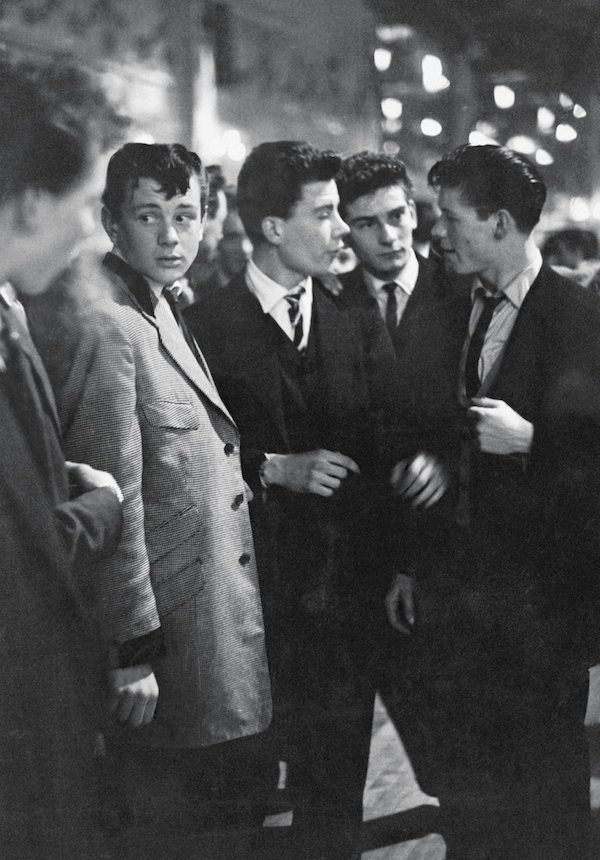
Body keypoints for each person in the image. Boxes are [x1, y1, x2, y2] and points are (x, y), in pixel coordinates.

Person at [185, 140, 446, 859]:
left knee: (333, 804)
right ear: (272, 227)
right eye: (327, 213)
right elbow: (182, 464)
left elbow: (389, 433)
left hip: (344, 612)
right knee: (239, 808)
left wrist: (421, 469)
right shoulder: (203, 326)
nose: (343, 231)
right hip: (247, 615)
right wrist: (272, 467)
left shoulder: (353, 318)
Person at [29, 143, 272, 857]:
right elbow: (117, 498)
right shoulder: (110, 325)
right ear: (111, 222)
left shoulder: (160, 307)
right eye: (148, 216)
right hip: (167, 642)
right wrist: (132, 650)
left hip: (204, 622)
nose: (171, 237)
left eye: (185, 215)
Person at [385, 143, 600, 859]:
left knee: (546, 800)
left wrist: (532, 441)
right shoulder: (442, 308)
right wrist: (429, 473)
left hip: (542, 614)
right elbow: (423, 424)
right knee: (470, 802)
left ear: (501, 222)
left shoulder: (579, 320)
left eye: (450, 218)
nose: (436, 233)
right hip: (456, 608)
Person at [0, 55, 126, 857]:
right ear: (32, 202)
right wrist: (98, 508)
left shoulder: (14, 312)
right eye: (87, 204)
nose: (92, 230)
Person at [336, 151, 450, 363]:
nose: (388, 237)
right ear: (345, 232)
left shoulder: (457, 290)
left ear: (413, 214)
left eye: (396, 216)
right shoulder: (330, 301)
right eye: (368, 224)